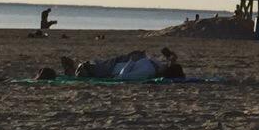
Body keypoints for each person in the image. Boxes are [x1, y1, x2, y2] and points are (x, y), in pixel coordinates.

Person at [50, 48, 184, 81]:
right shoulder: (157, 66)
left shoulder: (149, 71)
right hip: (118, 62)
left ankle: (72, 70)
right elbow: (171, 63)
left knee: (85, 70)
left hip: (113, 68)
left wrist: (132, 61)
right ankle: (73, 69)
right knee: (90, 66)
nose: (168, 63)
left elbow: (123, 77)